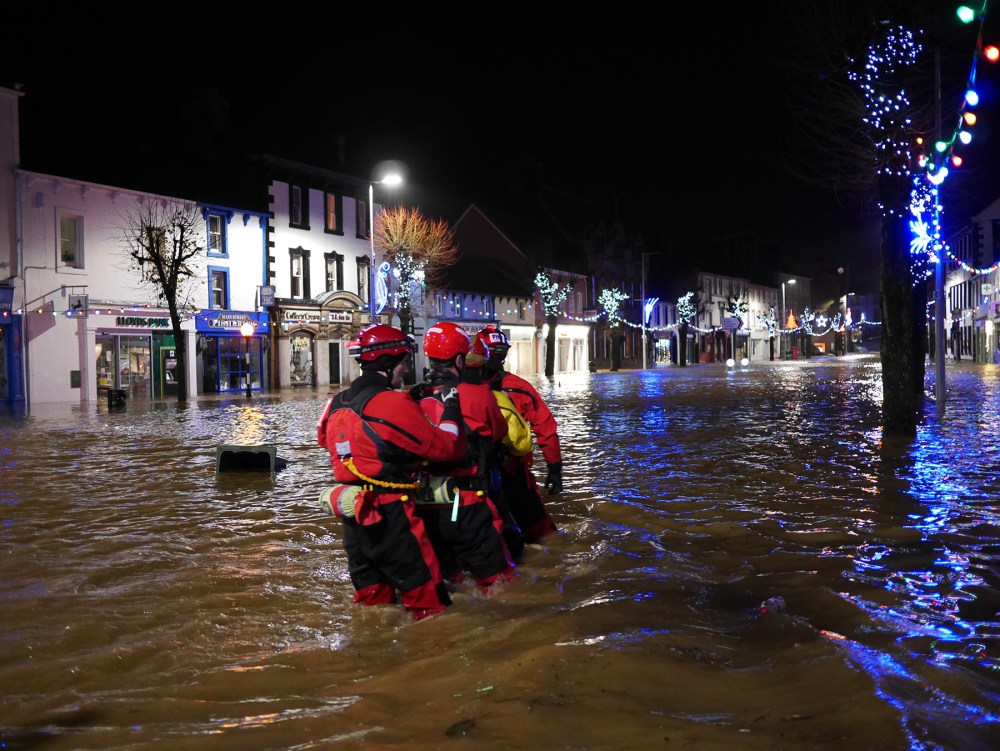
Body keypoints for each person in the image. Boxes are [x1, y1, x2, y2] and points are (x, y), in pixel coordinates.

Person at [316, 323, 467, 620]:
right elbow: (448, 447)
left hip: (354, 521)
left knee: (375, 610)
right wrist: (451, 406)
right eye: (404, 363)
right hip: (394, 520)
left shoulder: (336, 402)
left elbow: (325, 440)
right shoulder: (392, 402)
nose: (406, 370)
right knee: (431, 609)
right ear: (389, 363)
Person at [411, 321, 516, 592]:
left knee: (449, 583)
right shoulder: (478, 393)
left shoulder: (412, 397)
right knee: (501, 583)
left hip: (423, 507)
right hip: (466, 503)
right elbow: (498, 431)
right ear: (460, 359)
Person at [476, 325, 562, 543]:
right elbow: (546, 429)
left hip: (476, 476)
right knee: (542, 534)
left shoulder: (461, 388)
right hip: (515, 473)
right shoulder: (519, 387)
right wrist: (554, 470)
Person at [464, 330, 534, 559]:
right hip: (490, 478)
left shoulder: (422, 395)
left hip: (441, 494)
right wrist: (554, 468)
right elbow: (520, 443)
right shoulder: (492, 396)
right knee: (511, 541)